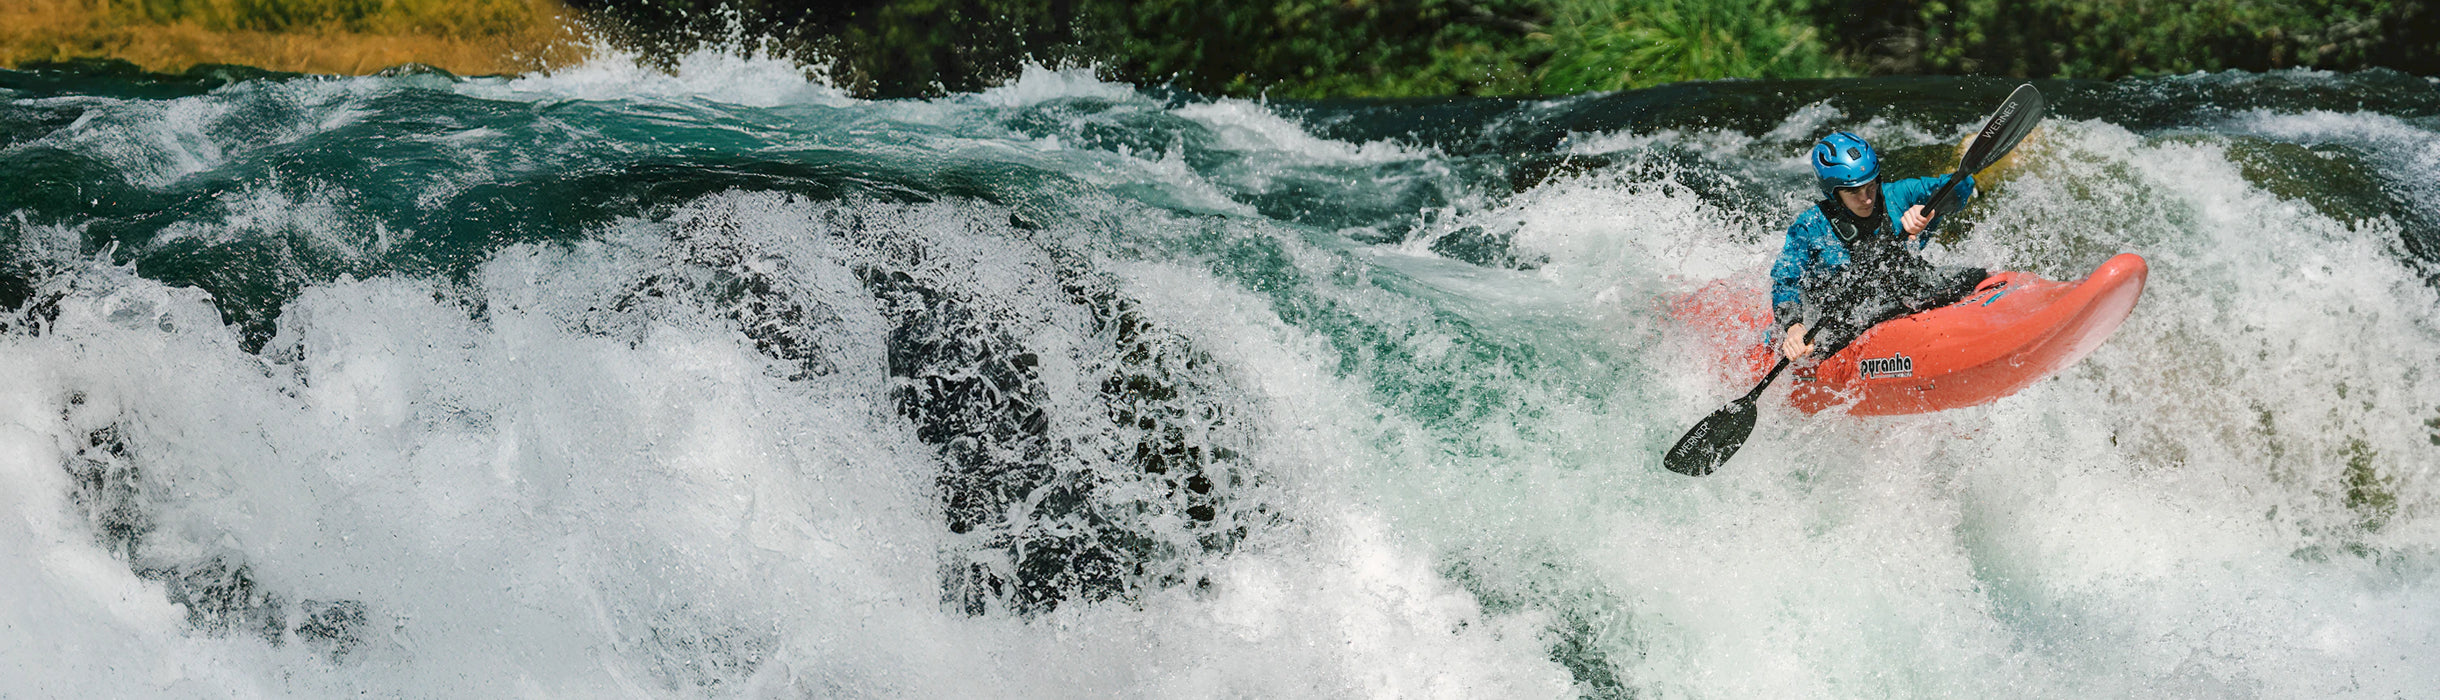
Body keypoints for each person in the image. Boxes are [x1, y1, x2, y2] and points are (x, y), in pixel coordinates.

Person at [1771, 131, 1992, 362]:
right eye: (1853, 191)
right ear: (1833, 193)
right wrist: (1794, 327)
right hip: (1846, 319)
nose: (1867, 198)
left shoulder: (1899, 194)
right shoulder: (1810, 227)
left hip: (1902, 295)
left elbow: (1959, 185)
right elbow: (1785, 281)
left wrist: (1932, 206)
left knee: (1970, 276)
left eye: (1870, 186)